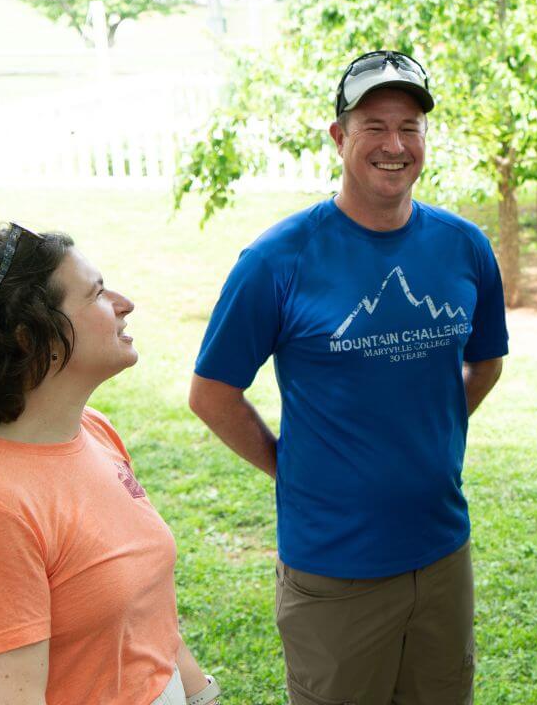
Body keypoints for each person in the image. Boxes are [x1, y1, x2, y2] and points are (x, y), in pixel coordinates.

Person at [188, 49, 508, 705]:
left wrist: (427, 428)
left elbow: (487, 362)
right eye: (374, 126)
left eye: (410, 127)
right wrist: (297, 466)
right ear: (339, 137)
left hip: (443, 553)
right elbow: (212, 392)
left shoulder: (464, 247)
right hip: (334, 568)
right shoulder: (277, 260)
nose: (395, 145)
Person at [0, 225, 220, 705]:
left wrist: (200, 695)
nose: (124, 302)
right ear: (33, 338)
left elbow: (149, 616)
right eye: (95, 294)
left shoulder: (92, 429)